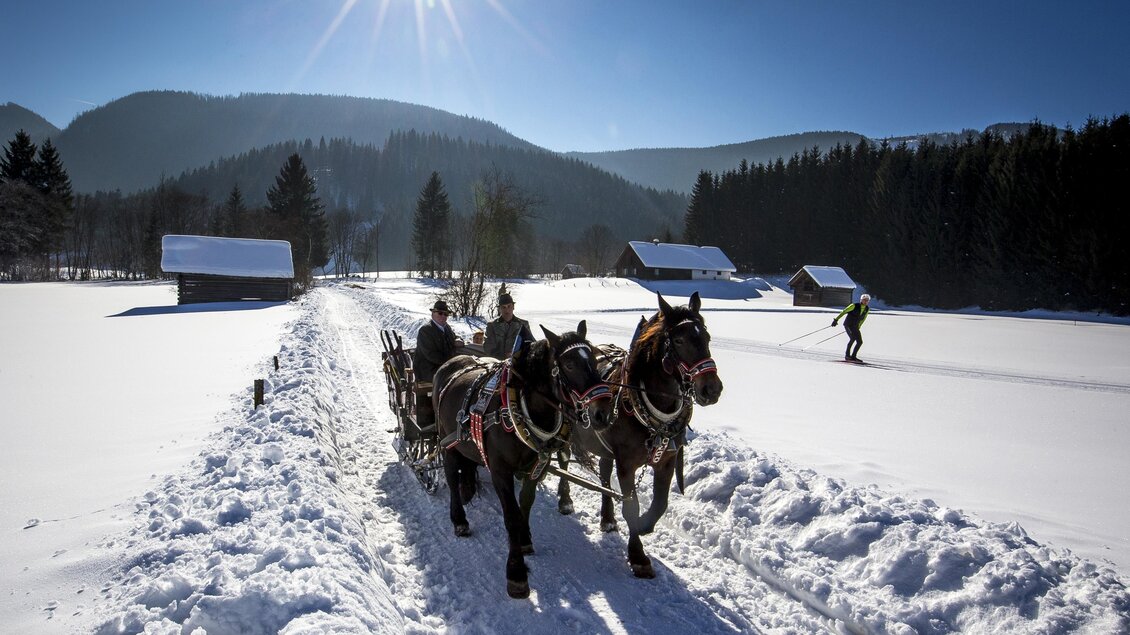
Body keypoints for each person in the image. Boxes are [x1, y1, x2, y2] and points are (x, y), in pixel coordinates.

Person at [414, 300, 464, 384]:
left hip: (445, 366)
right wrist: (453, 362)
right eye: (440, 313)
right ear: (433, 313)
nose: (443, 316)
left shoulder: (446, 327)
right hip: (429, 370)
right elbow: (431, 355)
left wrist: (458, 340)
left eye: (446, 314)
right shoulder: (425, 330)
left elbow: (455, 337)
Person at [483, 293, 534, 360]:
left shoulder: (523, 324)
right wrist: (503, 356)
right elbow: (488, 348)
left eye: (509, 306)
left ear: (513, 307)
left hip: (518, 363)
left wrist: (517, 355)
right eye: (503, 307)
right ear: (499, 309)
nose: (506, 310)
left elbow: (531, 345)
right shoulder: (492, 326)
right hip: (497, 363)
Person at [832, 293, 871, 361]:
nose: (866, 301)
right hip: (848, 324)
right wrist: (836, 320)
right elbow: (844, 312)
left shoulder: (867, 309)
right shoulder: (854, 305)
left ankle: (853, 356)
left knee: (859, 342)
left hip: (855, 326)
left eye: (867, 300)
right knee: (852, 338)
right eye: (864, 300)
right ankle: (847, 356)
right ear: (861, 300)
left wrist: (859, 326)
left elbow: (863, 319)